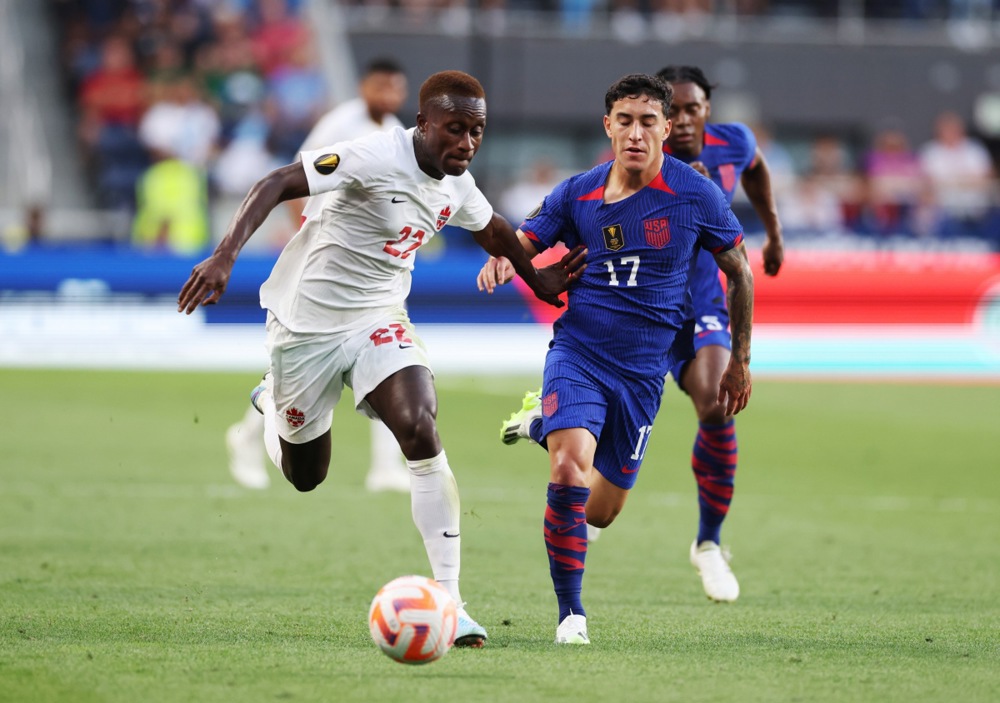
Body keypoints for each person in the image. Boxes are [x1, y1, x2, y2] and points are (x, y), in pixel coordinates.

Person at [178, 70, 585, 648]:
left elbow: (493, 230)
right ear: (423, 124)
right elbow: (275, 182)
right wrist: (224, 256)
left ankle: (450, 601)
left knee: (420, 427)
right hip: (305, 328)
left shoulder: (456, 182)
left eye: (477, 131)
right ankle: (272, 401)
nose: (466, 143)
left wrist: (535, 276)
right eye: (454, 129)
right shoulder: (371, 155)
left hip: (379, 320)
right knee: (305, 476)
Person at [478, 73, 754, 644]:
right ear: (607, 125)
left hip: (642, 374)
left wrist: (739, 360)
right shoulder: (577, 191)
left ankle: (538, 424)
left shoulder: (696, 193)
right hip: (578, 352)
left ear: (668, 126)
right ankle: (570, 616)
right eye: (623, 121)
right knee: (567, 470)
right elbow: (526, 242)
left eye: (647, 121)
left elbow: (740, 272)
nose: (635, 133)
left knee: (601, 511)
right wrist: (510, 261)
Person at [225, 57, 412, 493]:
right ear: (364, 85)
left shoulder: (399, 131)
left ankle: (385, 466)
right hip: (330, 262)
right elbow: (296, 176)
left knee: (390, 354)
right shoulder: (341, 122)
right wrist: (306, 237)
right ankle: (249, 430)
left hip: (374, 270)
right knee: (303, 369)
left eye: (395, 88)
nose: (387, 95)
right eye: (380, 85)